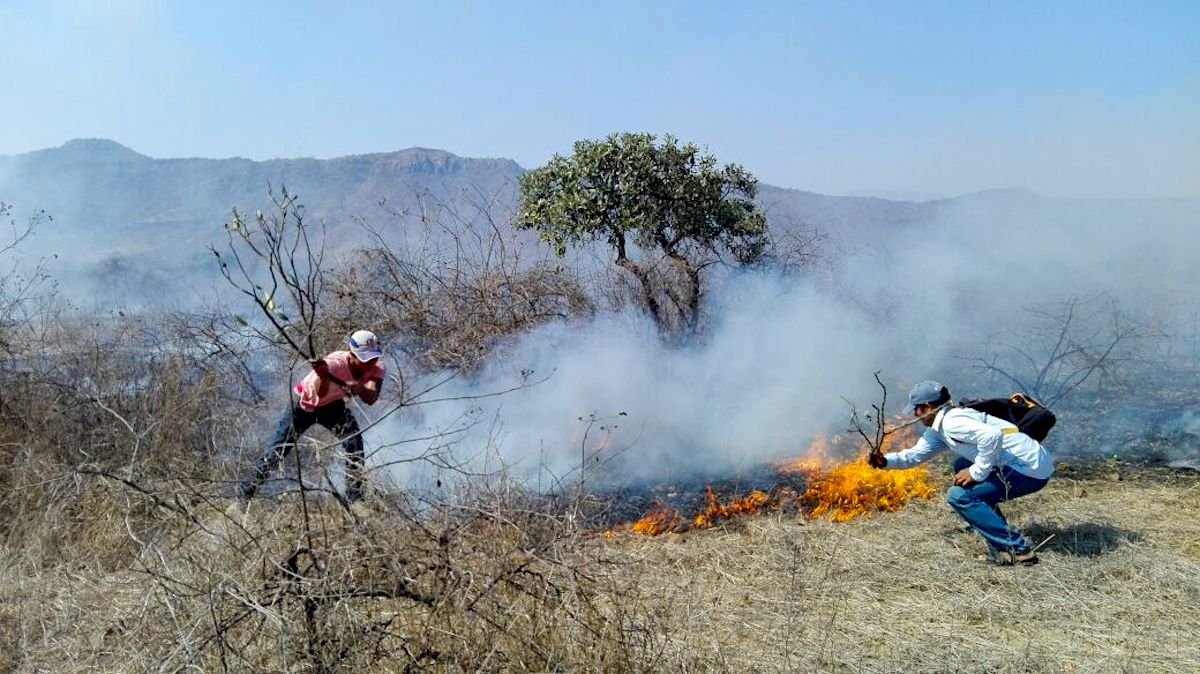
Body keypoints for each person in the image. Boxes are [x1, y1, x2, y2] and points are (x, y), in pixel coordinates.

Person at [867, 380, 1054, 566]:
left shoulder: (952, 422)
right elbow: (915, 456)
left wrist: (976, 472)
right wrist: (885, 461)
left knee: (959, 496)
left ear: (926, 407)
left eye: (916, 409)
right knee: (961, 465)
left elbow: (991, 436)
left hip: (1029, 469)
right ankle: (997, 537)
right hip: (1025, 464)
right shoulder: (941, 428)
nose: (915, 415)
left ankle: (1018, 551)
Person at [241, 329, 386, 503]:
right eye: (365, 358)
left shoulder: (377, 367)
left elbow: (371, 397)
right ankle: (245, 493)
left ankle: (355, 500)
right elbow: (320, 393)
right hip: (304, 405)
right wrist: (323, 377)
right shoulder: (333, 364)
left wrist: (360, 388)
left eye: (373, 357)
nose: (370, 362)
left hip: (333, 405)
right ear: (351, 354)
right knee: (278, 450)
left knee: (354, 443)